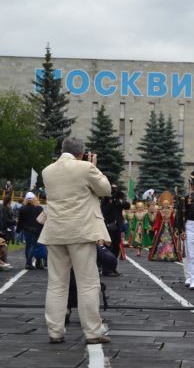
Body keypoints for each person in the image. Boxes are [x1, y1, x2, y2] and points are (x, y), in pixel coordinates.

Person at [38, 137, 112, 344]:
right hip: (81, 231)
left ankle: (55, 331)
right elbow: (105, 189)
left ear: (62, 150)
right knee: (87, 283)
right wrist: (93, 166)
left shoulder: (47, 171)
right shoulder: (86, 167)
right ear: (81, 153)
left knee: (56, 283)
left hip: (55, 232)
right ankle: (93, 332)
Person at [100, 184, 130, 275]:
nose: (114, 192)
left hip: (117, 226)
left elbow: (127, 206)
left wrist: (120, 201)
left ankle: (113, 268)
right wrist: (110, 201)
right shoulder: (105, 200)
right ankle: (106, 269)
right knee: (109, 248)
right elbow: (104, 211)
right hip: (109, 226)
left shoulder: (118, 199)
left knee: (116, 247)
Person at [148, 191, 181, 262]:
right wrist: (155, 228)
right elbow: (157, 220)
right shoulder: (160, 211)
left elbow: (172, 220)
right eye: (164, 204)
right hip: (161, 228)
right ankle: (160, 254)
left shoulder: (171, 212)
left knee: (170, 241)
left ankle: (170, 254)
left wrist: (174, 228)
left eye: (167, 204)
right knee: (160, 240)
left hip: (169, 228)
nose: (165, 205)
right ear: (162, 204)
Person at [17, 192, 44, 270]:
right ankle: (29, 263)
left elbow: (20, 221)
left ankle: (28, 262)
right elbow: (42, 221)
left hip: (26, 230)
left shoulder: (23, 208)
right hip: (36, 230)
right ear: (34, 199)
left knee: (28, 246)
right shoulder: (39, 208)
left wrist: (18, 230)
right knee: (33, 246)